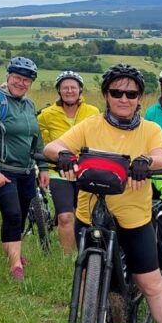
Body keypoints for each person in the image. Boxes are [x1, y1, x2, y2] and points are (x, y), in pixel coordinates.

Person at [43, 64, 162, 323]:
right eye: (116, 92)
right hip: (89, 212)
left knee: (150, 282)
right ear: (106, 95)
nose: (124, 98)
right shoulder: (90, 125)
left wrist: (146, 161)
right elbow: (52, 146)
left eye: (131, 93)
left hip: (133, 214)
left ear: (139, 98)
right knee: (83, 277)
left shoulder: (150, 129)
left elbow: (161, 156)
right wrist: (63, 155)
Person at [0, 56, 49, 281]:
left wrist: (43, 167)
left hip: (27, 171)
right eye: (17, 78)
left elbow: (36, 137)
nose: (21, 83)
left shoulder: (28, 104)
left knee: (18, 216)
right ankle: (15, 266)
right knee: (12, 213)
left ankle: (13, 251)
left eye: (26, 80)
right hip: (3, 169)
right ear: (8, 77)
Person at [38, 70, 100, 253]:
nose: (69, 91)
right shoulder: (47, 115)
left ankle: (87, 252)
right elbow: (42, 143)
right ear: (59, 91)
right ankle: (69, 258)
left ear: (80, 90)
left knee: (87, 216)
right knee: (65, 216)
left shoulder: (93, 112)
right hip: (59, 171)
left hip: (86, 171)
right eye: (65, 88)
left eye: (73, 87)